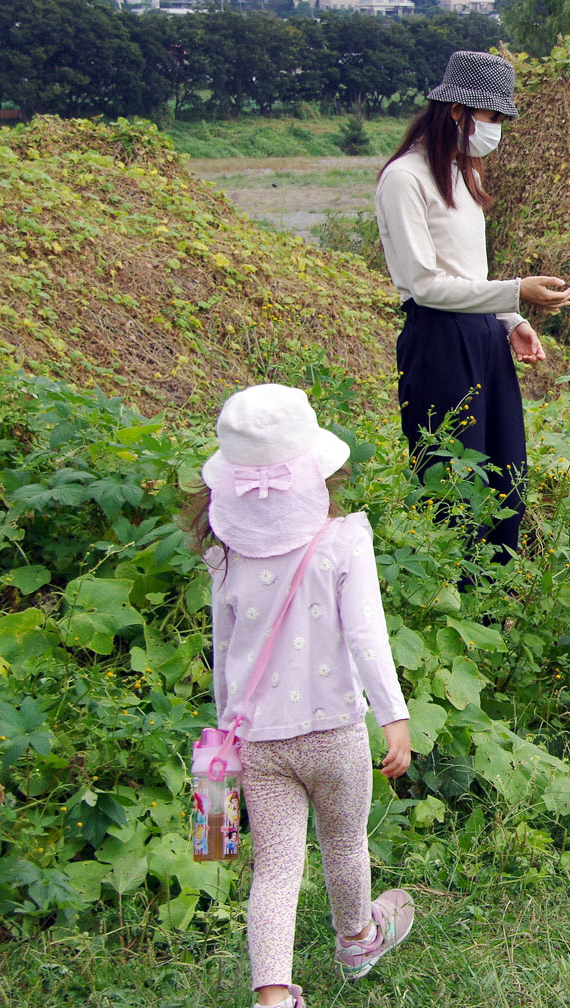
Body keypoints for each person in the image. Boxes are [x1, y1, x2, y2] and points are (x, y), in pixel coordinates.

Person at [193, 384, 417, 1008]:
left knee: (275, 871)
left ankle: (271, 994)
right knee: (345, 843)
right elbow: (367, 633)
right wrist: (393, 716)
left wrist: (224, 736)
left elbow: (226, 660)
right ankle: (357, 938)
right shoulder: (344, 542)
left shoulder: (225, 557)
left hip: (259, 743)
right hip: (335, 732)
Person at [374, 50, 570, 559]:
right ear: (458, 112)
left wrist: (511, 319)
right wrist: (514, 291)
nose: (496, 130)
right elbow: (426, 285)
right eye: (491, 117)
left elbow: (471, 271)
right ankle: (452, 603)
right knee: (453, 482)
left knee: (506, 470)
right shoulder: (406, 178)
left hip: (482, 333)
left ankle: (494, 601)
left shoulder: (466, 174)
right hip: (439, 341)